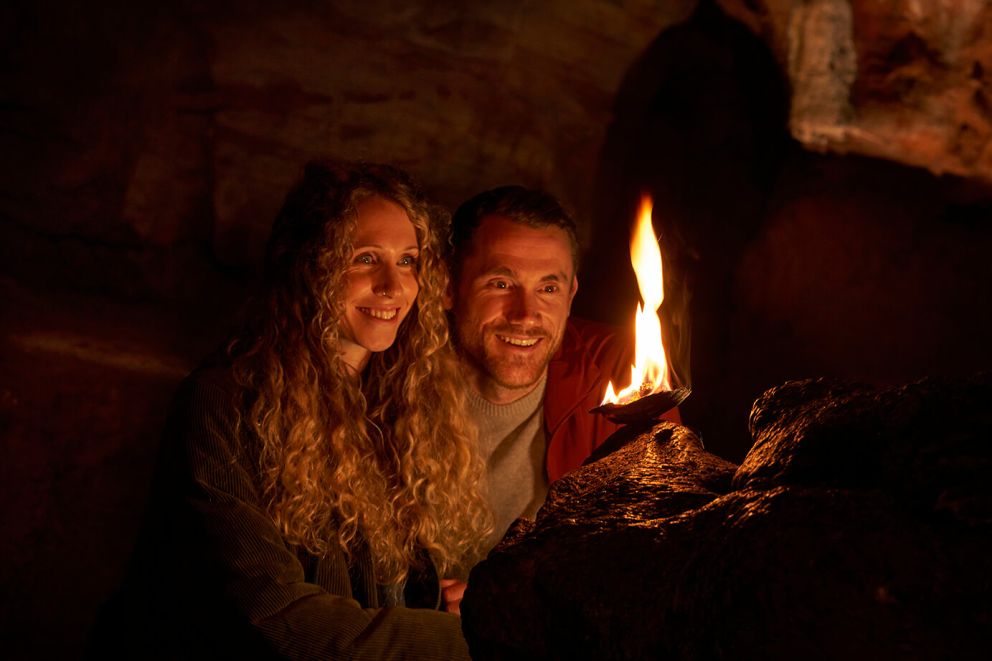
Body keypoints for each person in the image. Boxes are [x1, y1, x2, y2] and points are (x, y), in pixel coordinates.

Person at [90, 161, 491, 660]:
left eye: (408, 261)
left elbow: (374, 589)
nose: (394, 286)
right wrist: (465, 643)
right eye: (365, 258)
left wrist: (438, 601)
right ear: (310, 266)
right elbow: (274, 619)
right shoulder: (226, 403)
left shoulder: (401, 405)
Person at [444, 186, 680, 579]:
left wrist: (508, 603)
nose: (525, 314)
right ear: (449, 286)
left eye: (548, 288)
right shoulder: (396, 374)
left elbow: (658, 555)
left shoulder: (624, 370)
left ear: (571, 294)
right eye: (501, 284)